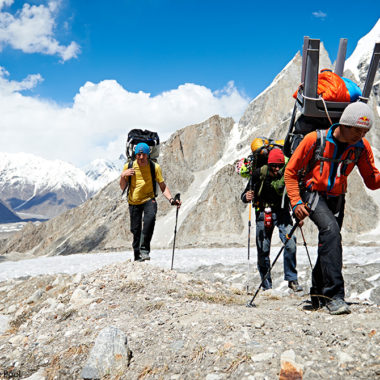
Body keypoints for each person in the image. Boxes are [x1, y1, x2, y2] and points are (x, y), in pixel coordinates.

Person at [285, 101, 380, 315]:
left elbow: (372, 181)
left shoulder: (360, 147)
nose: (360, 134)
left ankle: (318, 294)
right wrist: (296, 202)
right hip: (313, 192)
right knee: (331, 233)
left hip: (338, 197)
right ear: (344, 124)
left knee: (330, 241)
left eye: (364, 131)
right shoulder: (314, 140)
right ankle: (334, 295)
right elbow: (290, 172)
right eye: (356, 129)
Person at [241, 148, 302, 292]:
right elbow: (244, 195)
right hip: (262, 213)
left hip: (282, 212)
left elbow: (293, 194)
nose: (276, 168)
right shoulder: (259, 173)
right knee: (263, 250)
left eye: (279, 165)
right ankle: (266, 285)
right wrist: (246, 197)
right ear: (268, 164)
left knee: (290, 242)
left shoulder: (287, 174)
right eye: (273, 165)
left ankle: (292, 280)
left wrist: (297, 212)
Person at [120, 142, 181, 262]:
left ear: (148, 155)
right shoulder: (129, 166)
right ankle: (137, 257)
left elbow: (162, 186)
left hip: (149, 199)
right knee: (135, 230)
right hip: (133, 202)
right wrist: (123, 175)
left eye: (143, 155)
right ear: (135, 155)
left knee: (150, 219)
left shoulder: (155, 167)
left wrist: (171, 200)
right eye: (138, 155)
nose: (141, 157)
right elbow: (123, 187)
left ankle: (144, 250)